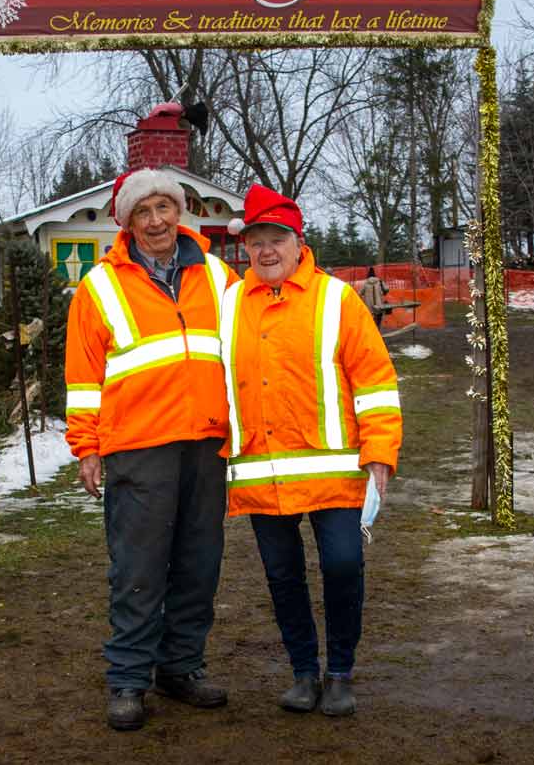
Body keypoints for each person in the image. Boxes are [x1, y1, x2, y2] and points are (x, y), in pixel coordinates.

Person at [65, 165, 238, 731]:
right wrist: (86, 446)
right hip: (138, 448)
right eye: (144, 211)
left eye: (165, 207)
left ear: (180, 212)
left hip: (208, 445)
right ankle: (129, 678)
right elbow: (83, 379)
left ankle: (181, 667)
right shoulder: (99, 288)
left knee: (198, 563)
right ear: (128, 222)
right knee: (138, 568)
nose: (157, 220)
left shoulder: (217, 276)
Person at [221, 186, 402, 717]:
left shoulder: (336, 300)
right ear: (246, 249)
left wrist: (380, 450)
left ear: (299, 243)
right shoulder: (230, 304)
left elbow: (374, 380)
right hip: (261, 472)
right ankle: (303, 672)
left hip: (335, 472)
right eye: (256, 242)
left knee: (343, 564)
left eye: (276, 239)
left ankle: (340, 671)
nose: (266, 251)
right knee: (282, 577)